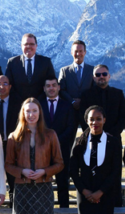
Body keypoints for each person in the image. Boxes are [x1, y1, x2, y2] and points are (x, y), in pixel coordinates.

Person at [79, 64, 125, 206]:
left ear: (109, 76)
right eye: (98, 74)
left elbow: (123, 117)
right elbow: (83, 118)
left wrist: (109, 135)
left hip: (114, 142)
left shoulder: (118, 93)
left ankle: (116, 205)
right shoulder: (86, 95)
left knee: (114, 174)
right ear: (94, 77)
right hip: (92, 142)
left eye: (104, 74)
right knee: (94, 174)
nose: (101, 77)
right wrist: (94, 135)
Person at [5, 98, 64, 214]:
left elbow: (60, 164)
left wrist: (44, 171)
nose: (31, 114)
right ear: (23, 113)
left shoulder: (50, 135)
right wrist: (22, 171)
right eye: (28, 111)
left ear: (40, 112)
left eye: (34, 111)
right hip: (22, 189)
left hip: (44, 188)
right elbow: (8, 165)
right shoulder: (14, 136)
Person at [70, 105, 122, 214]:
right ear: (86, 121)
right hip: (84, 195)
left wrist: (101, 192)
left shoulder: (113, 142)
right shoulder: (79, 142)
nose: (95, 122)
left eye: (98, 119)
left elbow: (116, 170)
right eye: (91, 119)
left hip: (106, 194)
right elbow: (73, 170)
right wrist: (84, 191)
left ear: (104, 120)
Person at [38, 77, 76, 208]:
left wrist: (56, 141)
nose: (51, 88)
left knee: (62, 184)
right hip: (42, 150)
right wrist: (46, 142)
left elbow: (71, 127)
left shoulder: (67, 106)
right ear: (44, 89)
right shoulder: (38, 105)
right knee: (42, 183)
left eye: (54, 85)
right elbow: (35, 126)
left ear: (59, 87)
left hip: (62, 150)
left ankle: (64, 210)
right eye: (48, 86)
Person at [0, 75, 23, 207]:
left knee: (13, 181)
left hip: (13, 146)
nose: (1, 87)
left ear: (10, 87)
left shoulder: (19, 105)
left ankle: (15, 207)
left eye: (5, 84)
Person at [5, 33, 56, 99]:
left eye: (32, 44)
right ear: (21, 46)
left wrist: (38, 100)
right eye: (26, 44)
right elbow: (8, 84)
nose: (29, 46)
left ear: (36, 46)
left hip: (41, 104)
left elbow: (52, 82)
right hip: (18, 104)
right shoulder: (12, 62)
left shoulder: (46, 62)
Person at [58, 40, 94, 114]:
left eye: (81, 51)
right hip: (69, 110)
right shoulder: (64, 71)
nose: (78, 54)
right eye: (76, 51)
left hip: (87, 110)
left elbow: (95, 90)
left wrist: (82, 101)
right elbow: (61, 90)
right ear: (71, 52)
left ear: (85, 52)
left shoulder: (92, 70)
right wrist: (72, 101)